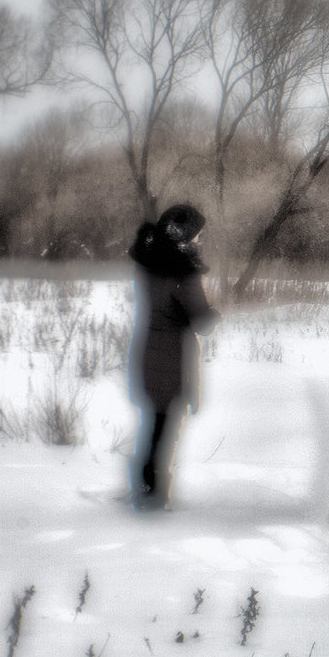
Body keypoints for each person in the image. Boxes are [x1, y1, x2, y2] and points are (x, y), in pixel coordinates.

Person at [126, 204, 220, 512]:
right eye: (197, 235)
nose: (199, 241)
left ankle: (143, 487)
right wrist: (214, 312)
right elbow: (201, 321)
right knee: (165, 429)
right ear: (184, 237)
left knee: (152, 423)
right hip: (172, 358)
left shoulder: (149, 262)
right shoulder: (182, 273)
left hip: (147, 348)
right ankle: (152, 497)